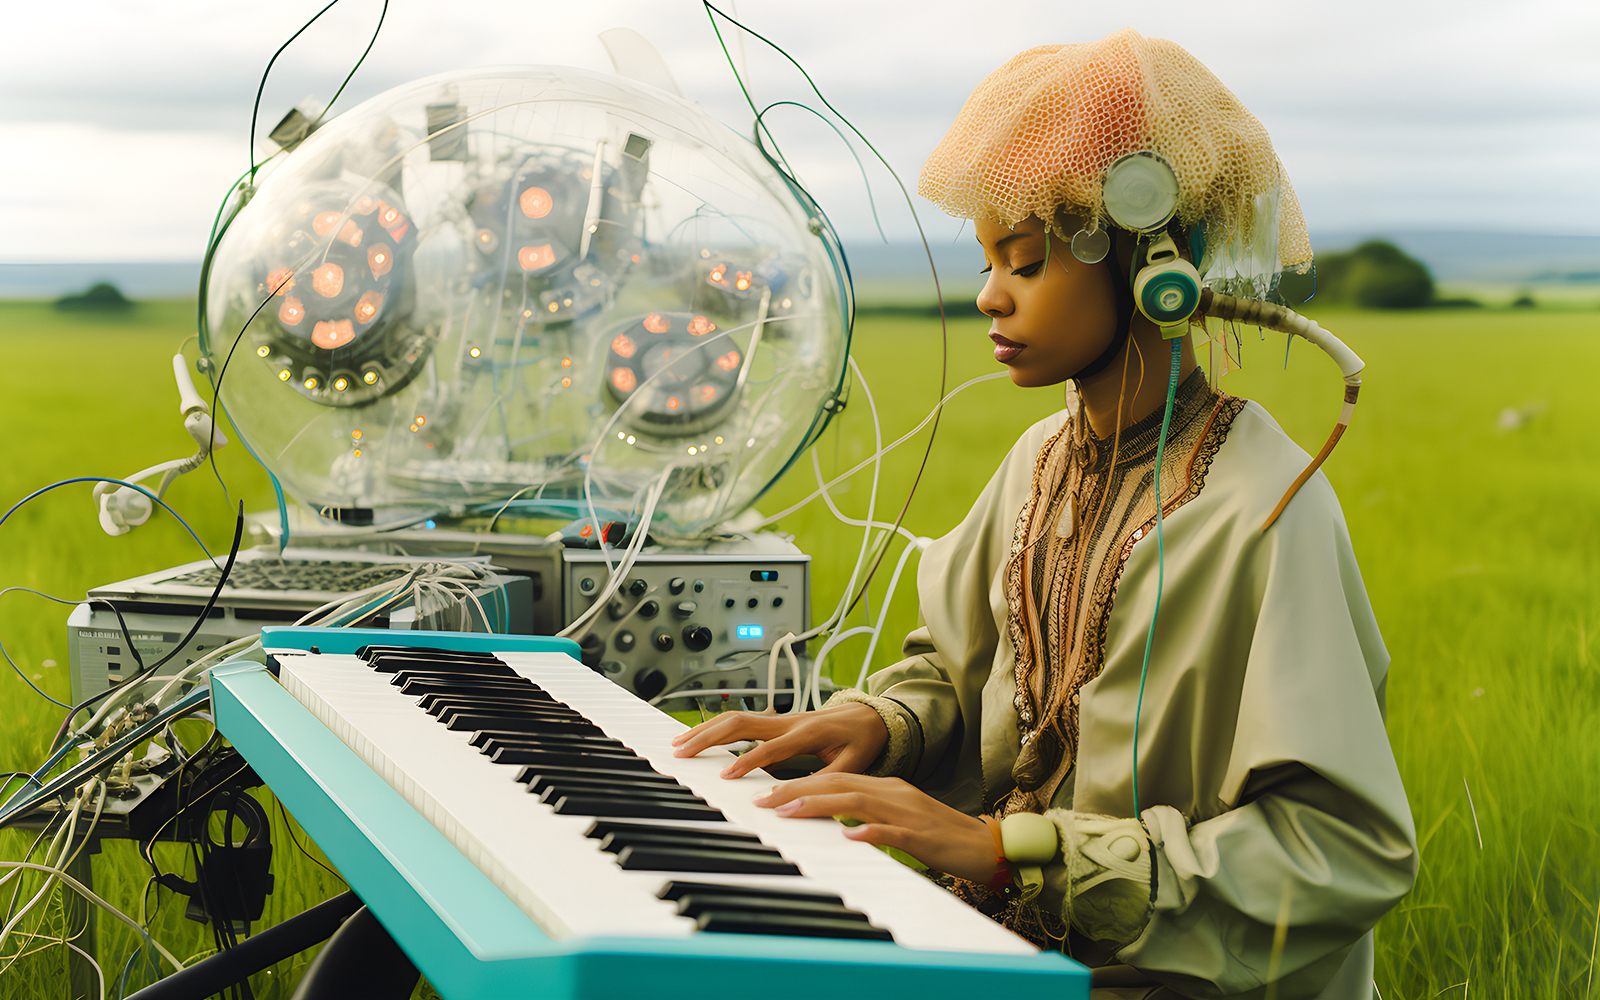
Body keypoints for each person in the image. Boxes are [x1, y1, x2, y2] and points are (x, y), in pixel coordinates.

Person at [672, 28, 1416, 1000]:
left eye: (1024, 264)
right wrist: (875, 724)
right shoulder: (1039, 461)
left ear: (1153, 266)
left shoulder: (1265, 508)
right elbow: (963, 672)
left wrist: (1008, 850)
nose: (989, 296)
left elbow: (1340, 845)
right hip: (1004, 957)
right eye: (988, 262)